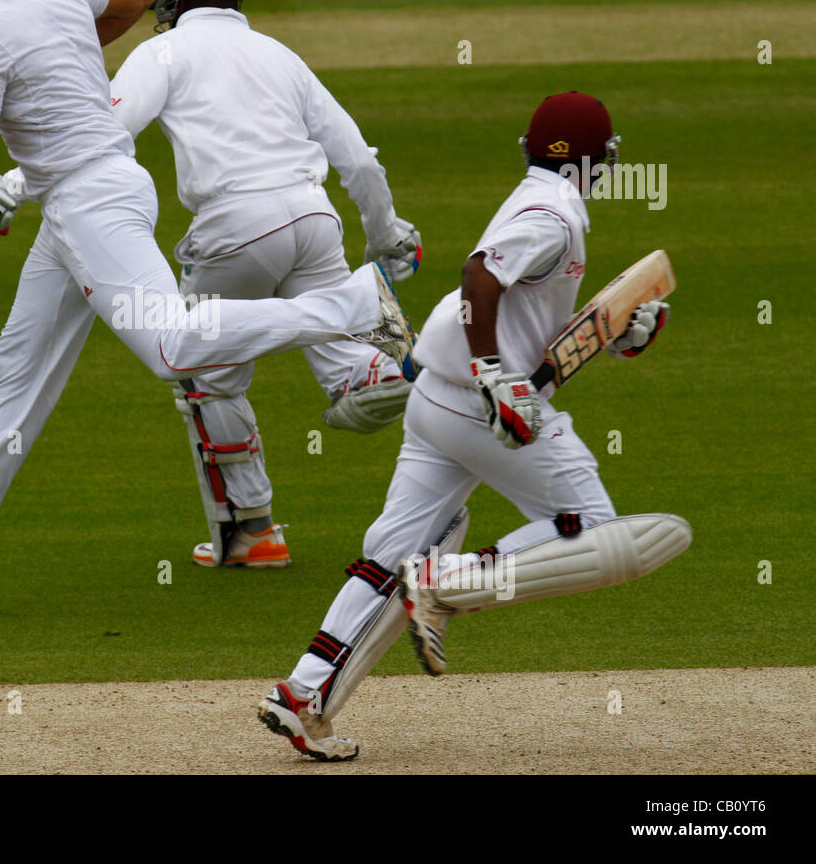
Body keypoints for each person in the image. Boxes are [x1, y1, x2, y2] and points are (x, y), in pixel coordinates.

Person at [0, 0, 413, 595]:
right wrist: (62, 51)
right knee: (20, 366)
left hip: (89, 202)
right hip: (88, 199)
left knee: (173, 348)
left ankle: (352, 306)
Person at [256, 92, 691, 762]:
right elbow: (479, 276)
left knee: (391, 552)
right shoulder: (553, 215)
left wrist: (619, 332)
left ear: (530, 150)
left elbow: (530, 317)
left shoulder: (538, 199)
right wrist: (494, 374)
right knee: (593, 528)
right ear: (597, 161)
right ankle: (445, 582)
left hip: (437, 400)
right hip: (482, 405)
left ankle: (304, 693)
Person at [106, 0, 422, 569]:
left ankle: (252, 533)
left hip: (235, 228)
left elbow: (104, 132)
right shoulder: (279, 54)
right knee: (337, 342)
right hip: (313, 217)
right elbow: (359, 160)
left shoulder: (161, 53)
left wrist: (20, 183)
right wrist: (385, 237)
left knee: (204, 372)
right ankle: (380, 371)